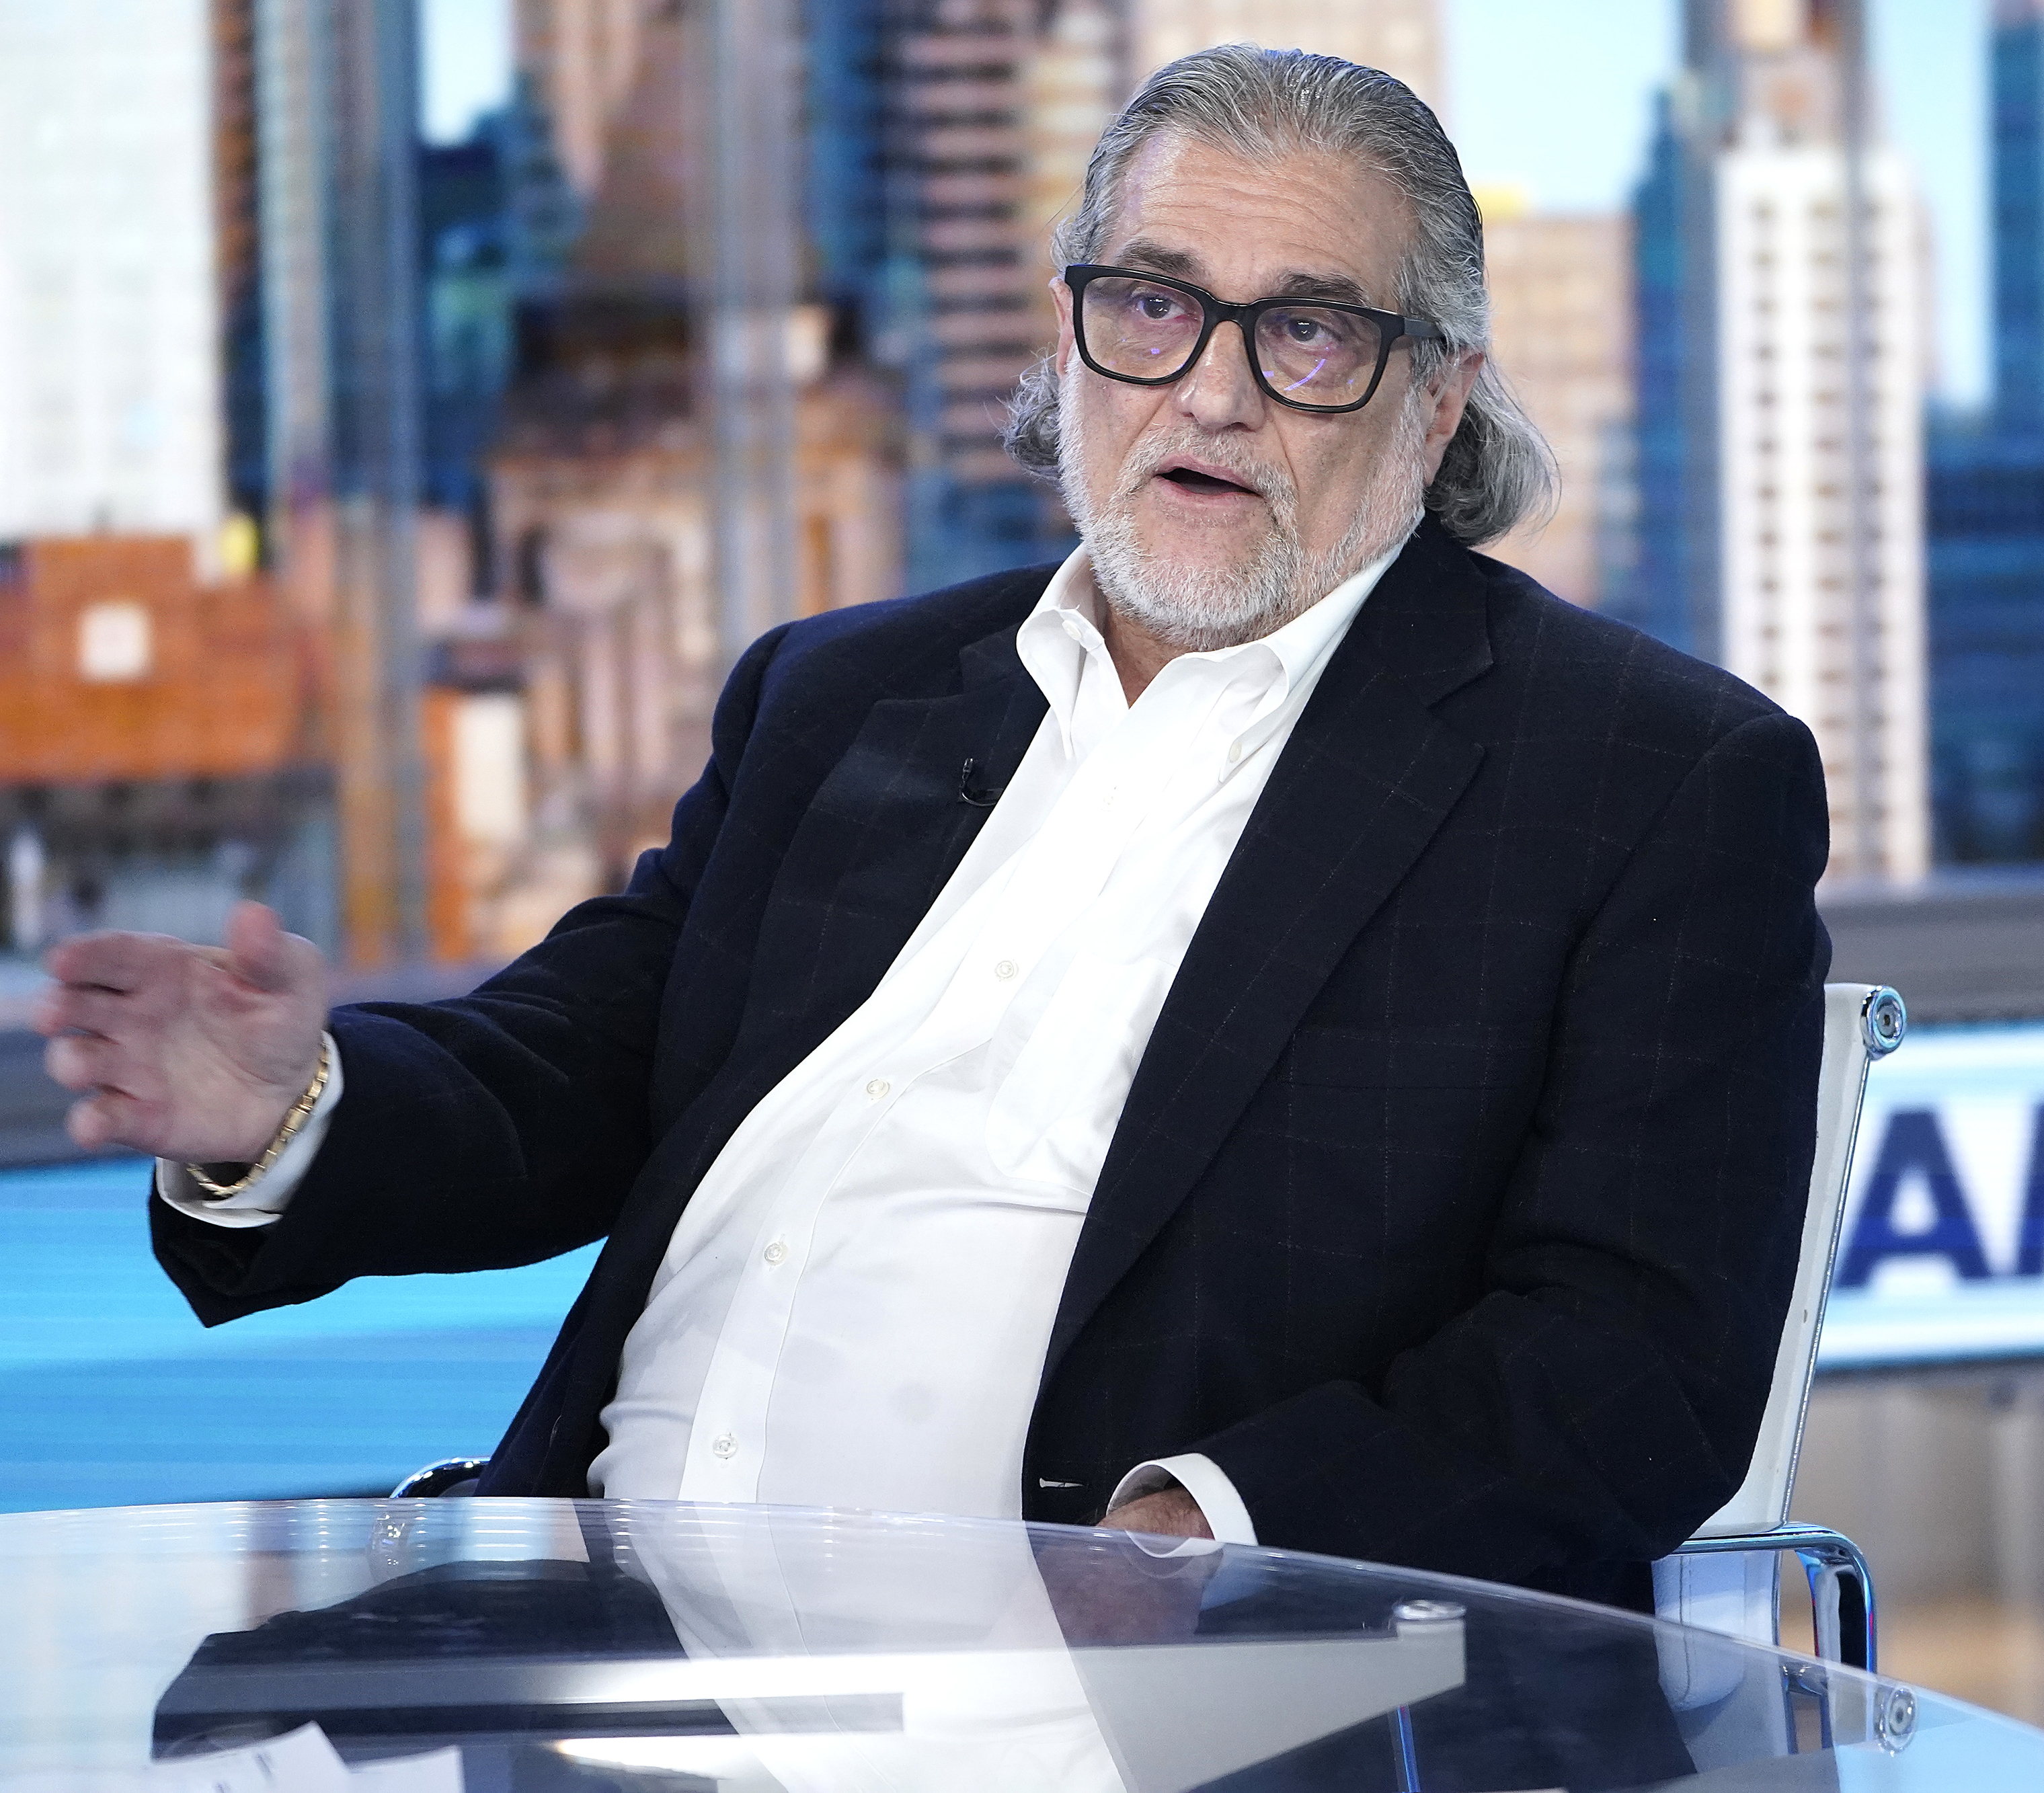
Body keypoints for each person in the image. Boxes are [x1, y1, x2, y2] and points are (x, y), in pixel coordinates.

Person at [38, 46, 1830, 1609]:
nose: (1208, 389)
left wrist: (1203, 1541)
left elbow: (1635, 1362)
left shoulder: (1644, 783)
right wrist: (293, 1109)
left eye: (1305, 332)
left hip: (1120, 1690)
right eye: (1152, 303)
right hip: (591, 1641)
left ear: (1435, 395)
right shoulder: (842, 692)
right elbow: (580, 1064)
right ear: (1071, 334)